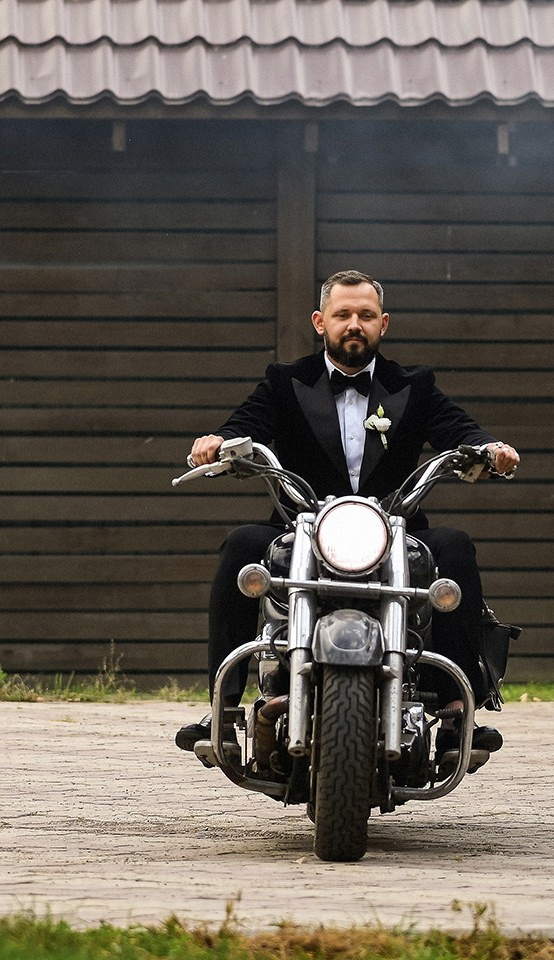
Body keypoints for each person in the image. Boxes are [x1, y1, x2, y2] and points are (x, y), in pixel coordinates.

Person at [186, 269, 521, 731]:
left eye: (366, 315)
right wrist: (219, 441)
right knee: (242, 545)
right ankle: (222, 706)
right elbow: (248, 422)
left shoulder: (413, 385)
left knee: (455, 547)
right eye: (342, 314)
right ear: (320, 322)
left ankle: (456, 705)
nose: (354, 324)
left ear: (384, 324)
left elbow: (457, 428)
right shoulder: (285, 381)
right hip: (303, 526)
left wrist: (489, 448)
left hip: (395, 528)